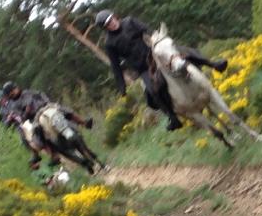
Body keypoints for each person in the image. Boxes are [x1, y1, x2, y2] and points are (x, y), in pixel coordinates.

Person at [94, 9, 228, 131]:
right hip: (144, 68)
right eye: (107, 24)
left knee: (184, 51)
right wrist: (121, 87)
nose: (112, 24)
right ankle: (173, 118)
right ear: (105, 28)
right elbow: (115, 66)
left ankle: (214, 65)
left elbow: (149, 30)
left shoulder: (130, 21)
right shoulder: (109, 44)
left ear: (115, 17)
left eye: (111, 20)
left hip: (155, 55)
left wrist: (158, 42)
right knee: (153, 90)